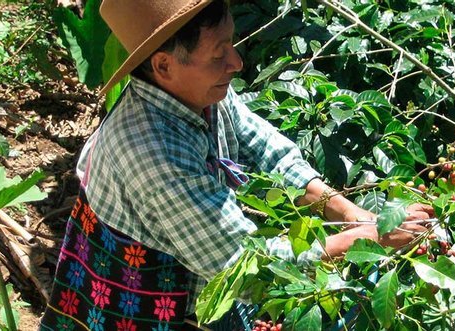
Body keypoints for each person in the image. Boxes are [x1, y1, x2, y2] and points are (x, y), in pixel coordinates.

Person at [39, 0, 434, 330]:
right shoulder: (151, 151)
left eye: (231, 44)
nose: (237, 62)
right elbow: (241, 267)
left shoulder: (199, 91)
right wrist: (366, 239)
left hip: (198, 268)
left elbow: (269, 152)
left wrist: (352, 214)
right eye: (219, 53)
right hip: (149, 295)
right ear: (162, 66)